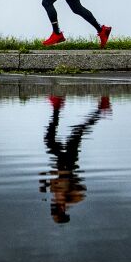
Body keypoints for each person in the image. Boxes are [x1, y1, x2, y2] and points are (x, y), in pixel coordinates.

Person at [39, 94, 112, 223]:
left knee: (50, 140)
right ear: (63, 209)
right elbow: (82, 190)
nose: (55, 203)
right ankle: (101, 109)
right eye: (56, 207)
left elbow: (47, 175)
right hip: (69, 161)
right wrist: (68, 195)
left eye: (53, 206)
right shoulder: (72, 198)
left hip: (60, 160)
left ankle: (56, 107)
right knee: (76, 132)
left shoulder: (54, 191)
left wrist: (44, 184)